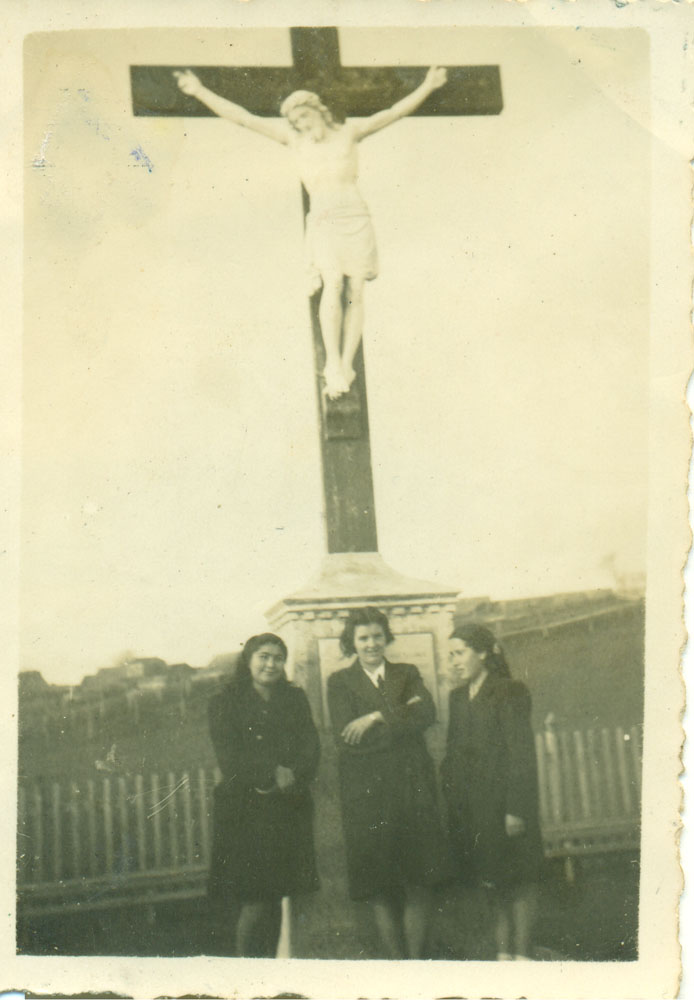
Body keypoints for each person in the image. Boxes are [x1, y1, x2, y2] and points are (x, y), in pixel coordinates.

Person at [173, 66, 448, 400]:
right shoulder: (294, 140)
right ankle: (333, 362)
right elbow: (242, 118)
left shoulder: (350, 132)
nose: (301, 124)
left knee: (356, 288)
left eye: (304, 116)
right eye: (296, 121)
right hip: (324, 218)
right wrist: (199, 91)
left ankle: (347, 363)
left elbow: (394, 113)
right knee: (333, 282)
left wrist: (429, 86)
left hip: (355, 214)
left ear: (318, 110)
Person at [326, 606, 450, 958]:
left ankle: (415, 962)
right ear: (351, 642)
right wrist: (401, 720)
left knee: (420, 879)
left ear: (387, 637)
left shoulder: (407, 673)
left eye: (377, 636)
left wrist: (376, 716)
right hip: (370, 797)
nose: (371, 644)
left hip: (413, 791)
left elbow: (427, 713)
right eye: (363, 638)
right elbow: (347, 738)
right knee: (380, 884)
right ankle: (398, 968)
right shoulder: (339, 682)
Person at [207, 632, 320, 957]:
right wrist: (271, 772)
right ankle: (247, 976)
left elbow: (311, 746)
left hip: (287, 810)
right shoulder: (225, 702)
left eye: (278, 658)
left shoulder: (294, 698)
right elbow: (229, 756)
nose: (271, 664)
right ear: (249, 660)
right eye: (264, 657)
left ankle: (270, 974)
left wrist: (295, 771)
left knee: (280, 896)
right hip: (246, 812)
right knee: (255, 900)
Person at [441, 625, 543, 961]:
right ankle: (503, 955)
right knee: (491, 880)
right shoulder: (458, 698)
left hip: (506, 805)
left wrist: (516, 808)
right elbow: (454, 754)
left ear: (483, 653)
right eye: (450, 655)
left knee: (519, 879)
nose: (454, 662)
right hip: (475, 809)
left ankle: (523, 954)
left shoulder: (508, 691)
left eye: (460, 653)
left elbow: (520, 754)